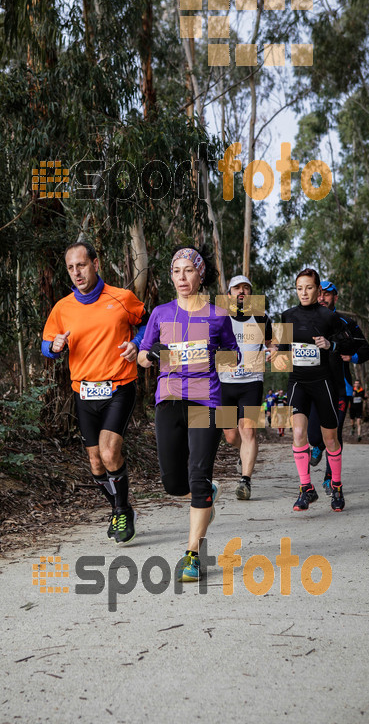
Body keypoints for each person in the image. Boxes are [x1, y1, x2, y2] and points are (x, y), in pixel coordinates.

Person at [138, 245, 240, 581]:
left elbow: (233, 357)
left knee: (197, 474)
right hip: (168, 399)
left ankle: (192, 553)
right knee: (171, 482)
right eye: (176, 271)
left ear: (201, 274)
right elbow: (142, 356)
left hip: (206, 400)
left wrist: (209, 357)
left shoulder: (218, 314)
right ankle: (206, 495)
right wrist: (152, 355)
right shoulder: (161, 313)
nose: (182, 277)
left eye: (189, 270)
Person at [42, 241, 147, 544]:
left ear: (96, 264)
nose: (77, 272)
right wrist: (54, 347)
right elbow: (46, 345)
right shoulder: (62, 308)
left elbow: (147, 323)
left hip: (118, 387)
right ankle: (118, 508)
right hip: (84, 393)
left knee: (110, 451)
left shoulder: (122, 297)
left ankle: (124, 509)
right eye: (71, 268)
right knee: (96, 463)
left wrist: (137, 343)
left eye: (82, 265)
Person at [271, 268, 354, 512]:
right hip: (297, 382)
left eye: (308, 287)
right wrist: (275, 352)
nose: (303, 292)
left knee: (330, 439)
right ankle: (306, 488)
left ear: (318, 290)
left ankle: (336, 486)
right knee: (298, 433)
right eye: (299, 288)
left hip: (324, 383)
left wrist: (331, 344)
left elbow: (349, 341)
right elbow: (282, 347)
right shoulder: (287, 315)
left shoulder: (328, 316)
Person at [307, 280, 369, 492]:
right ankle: (316, 446)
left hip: (339, 389)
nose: (322, 298)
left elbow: (366, 350)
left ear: (335, 297)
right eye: (319, 294)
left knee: (334, 434)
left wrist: (351, 357)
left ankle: (330, 478)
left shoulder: (346, 323)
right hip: (314, 386)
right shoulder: (304, 320)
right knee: (315, 436)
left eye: (327, 294)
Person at [218, 275, 272, 500]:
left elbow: (273, 342)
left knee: (248, 430)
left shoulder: (261, 317)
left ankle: (245, 481)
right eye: (237, 288)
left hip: (252, 382)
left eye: (246, 288)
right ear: (229, 293)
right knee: (231, 437)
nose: (242, 291)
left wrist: (273, 351)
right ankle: (243, 452)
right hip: (224, 383)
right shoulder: (219, 317)